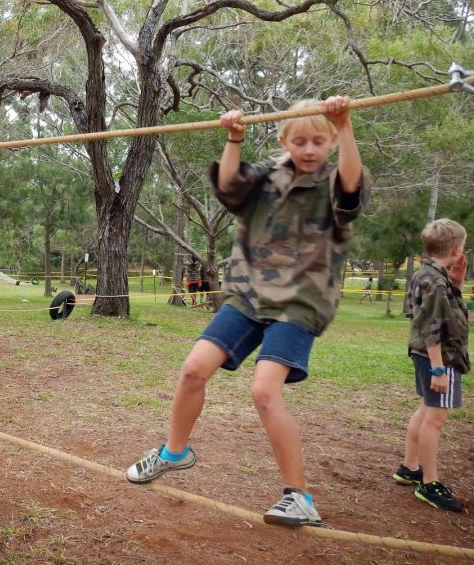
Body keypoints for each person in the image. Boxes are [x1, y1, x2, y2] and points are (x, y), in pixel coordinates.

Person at [125, 96, 370, 527]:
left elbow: (352, 187)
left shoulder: (335, 179)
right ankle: (174, 453)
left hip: (300, 300)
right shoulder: (266, 178)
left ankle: (299, 496)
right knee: (193, 369)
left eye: (318, 140)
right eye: (299, 140)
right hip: (250, 294)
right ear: (284, 139)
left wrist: (345, 125)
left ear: (330, 141)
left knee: (264, 391)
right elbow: (229, 186)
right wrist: (234, 138)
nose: (309, 149)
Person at [392, 219, 468, 513]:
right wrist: (438, 369)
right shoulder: (434, 280)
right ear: (457, 248)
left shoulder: (430, 274)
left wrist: (457, 283)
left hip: (428, 356)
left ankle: (410, 467)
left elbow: (442, 312)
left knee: (426, 409)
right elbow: (433, 325)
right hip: (441, 358)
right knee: (435, 419)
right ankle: (429, 482)